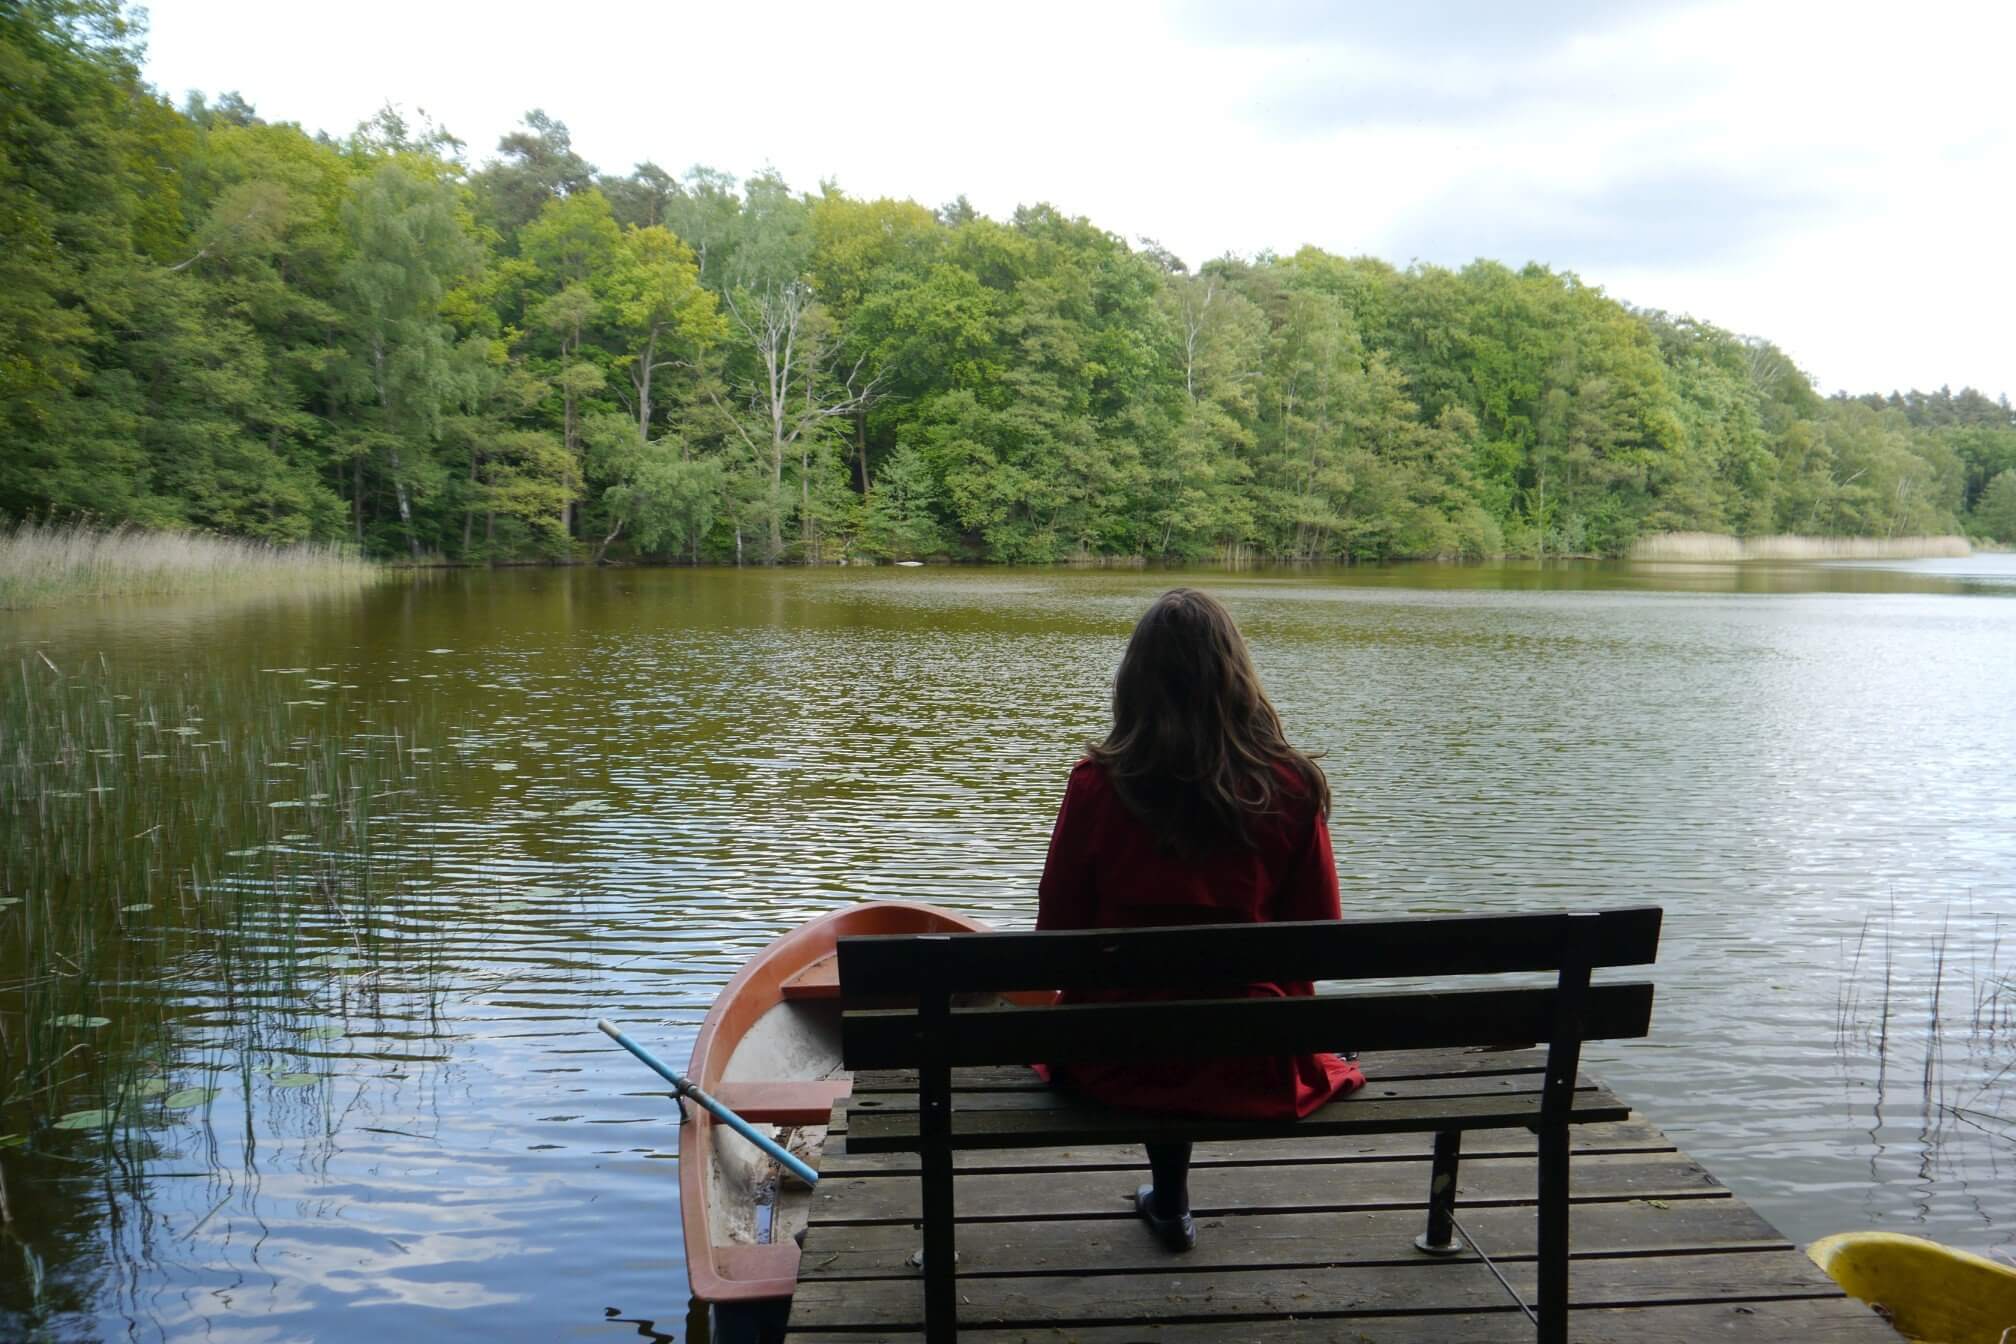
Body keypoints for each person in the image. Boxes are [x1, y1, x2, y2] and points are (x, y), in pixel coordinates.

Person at [1034, 587, 1365, 1252]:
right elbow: (1317, 941)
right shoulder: (1291, 786)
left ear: (1135, 680)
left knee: (1150, 1015)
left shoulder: (1097, 786)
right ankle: (1172, 1196)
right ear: (1236, 675)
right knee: (1212, 1013)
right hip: (1253, 1057)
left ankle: (1170, 1198)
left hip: (1114, 1058)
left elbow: (1056, 937)